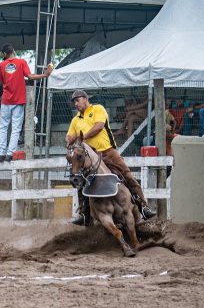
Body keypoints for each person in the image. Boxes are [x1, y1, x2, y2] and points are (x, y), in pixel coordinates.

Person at [65, 90, 157, 226]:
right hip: (89, 158)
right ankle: (84, 214)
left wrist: (82, 136)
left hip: (108, 152)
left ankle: (143, 206)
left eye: (77, 100)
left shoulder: (97, 109)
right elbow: (69, 136)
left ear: (85, 99)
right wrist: (69, 139)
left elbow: (99, 126)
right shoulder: (75, 120)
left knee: (127, 175)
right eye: (74, 102)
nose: (76, 104)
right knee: (81, 181)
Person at [0, 43, 53, 162]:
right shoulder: (21, 62)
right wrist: (45, 75)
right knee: (16, 128)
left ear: (4, 54)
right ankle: (10, 153)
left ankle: (1, 153)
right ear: (13, 51)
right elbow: (30, 76)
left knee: (3, 127)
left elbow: (1, 81)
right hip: (18, 100)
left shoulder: (1, 65)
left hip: (6, 100)